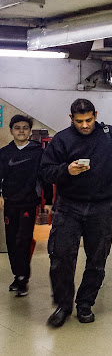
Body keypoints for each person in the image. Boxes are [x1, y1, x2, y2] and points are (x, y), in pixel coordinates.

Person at [40, 99, 112, 327]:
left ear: (95, 115)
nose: (85, 125)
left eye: (89, 120)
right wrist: (66, 169)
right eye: (79, 121)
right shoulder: (62, 139)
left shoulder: (111, 136)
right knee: (60, 257)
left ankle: (85, 304)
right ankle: (63, 305)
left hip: (102, 205)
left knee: (97, 259)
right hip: (69, 205)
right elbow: (45, 171)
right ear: (71, 118)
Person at [0, 115, 44, 296]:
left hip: (28, 203)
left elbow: (44, 178)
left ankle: (22, 278)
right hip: (9, 203)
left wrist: (46, 201)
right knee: (11, 240)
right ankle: (17, 274)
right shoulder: (4, 153)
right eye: (17, 127)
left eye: (25, 127)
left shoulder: (38, 152)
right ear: (11, 130)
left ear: (30, 131)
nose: (21, 130)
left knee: (23, 239)